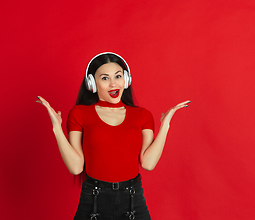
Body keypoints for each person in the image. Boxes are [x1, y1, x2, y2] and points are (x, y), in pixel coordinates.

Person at [36, 52, 190, 220]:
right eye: (105, 78)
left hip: (133, 199)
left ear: (126, 79)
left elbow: (148, 163)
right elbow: (76, 167)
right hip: (93, 199)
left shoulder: (142, 116)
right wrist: (57, 128)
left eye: (118, 76)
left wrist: (165, 125)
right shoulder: (79, 114)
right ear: (92, 84)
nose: (113, 84)